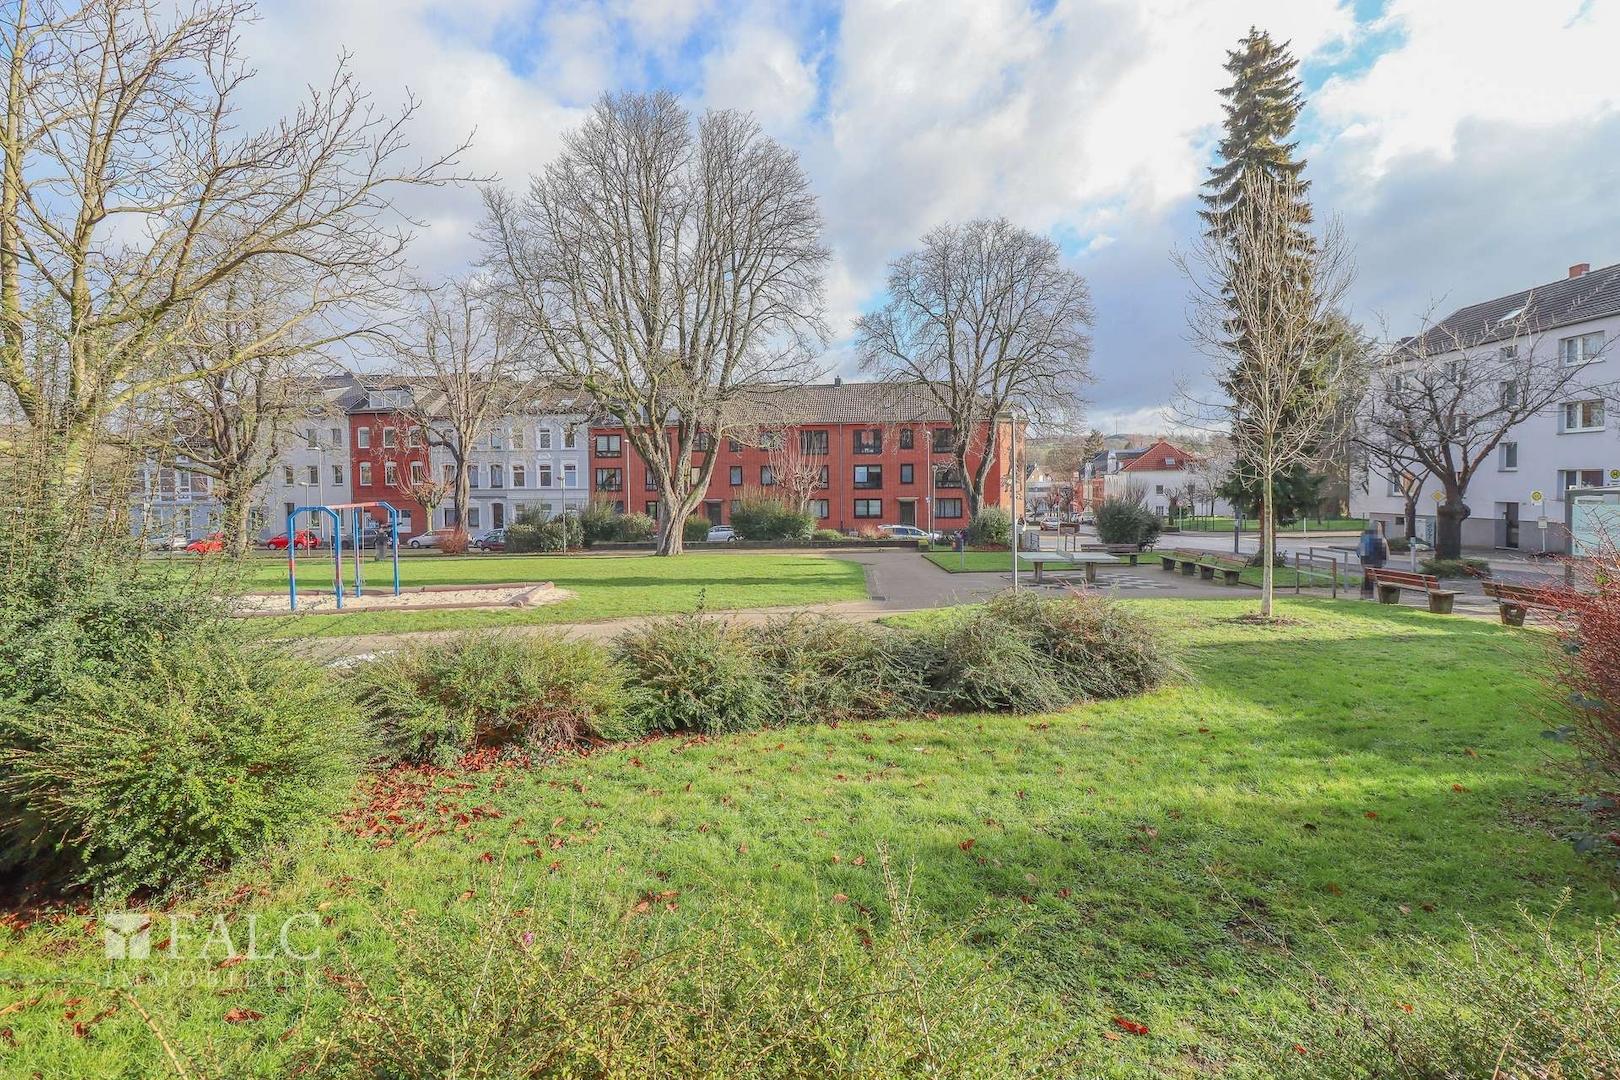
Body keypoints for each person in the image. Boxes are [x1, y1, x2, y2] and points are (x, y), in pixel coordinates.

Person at [1358, 521, 1389, 598]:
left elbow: (1359, 550)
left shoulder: (1364, 536)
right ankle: (1373, 596)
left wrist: (1361, 559)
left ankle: (1365, 594)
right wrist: (1384, 562)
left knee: (1366, 577)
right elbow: (1385, 553)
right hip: (1376, 563)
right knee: (1374, 578)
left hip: (1365, 561)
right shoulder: (1381, 539)